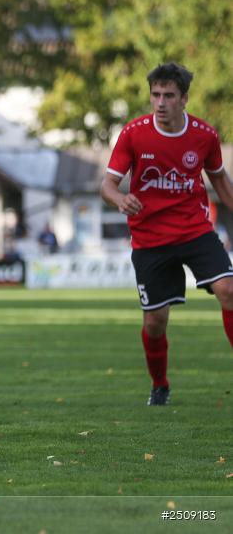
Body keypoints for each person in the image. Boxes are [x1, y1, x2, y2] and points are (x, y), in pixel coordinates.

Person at [101, 62, 233, 406]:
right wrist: (120, 198)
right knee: (156, 321)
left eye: (168, 96)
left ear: (184, 98)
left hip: (194, 229)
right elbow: (107, 185)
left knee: (229, 289)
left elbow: (219, 178)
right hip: (150, 239)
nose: (160, 102)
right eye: (155, 95)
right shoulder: (134, 133)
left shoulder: (204, 135)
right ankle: (160, 385)